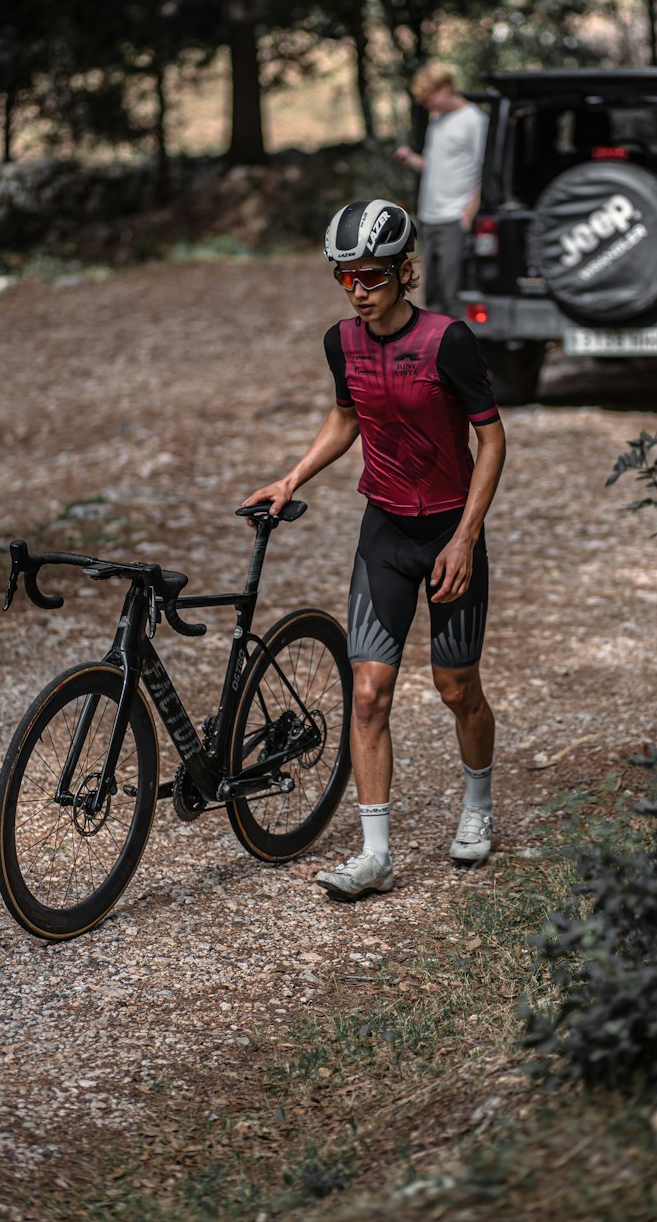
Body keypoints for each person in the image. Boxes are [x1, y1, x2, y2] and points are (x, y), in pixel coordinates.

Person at [244, 198, 506, 901]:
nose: (359, 291)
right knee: (367, 694)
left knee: (457, 689)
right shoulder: (342, 343)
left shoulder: (449, 340)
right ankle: (375, 854)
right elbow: (347, 414)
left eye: (372, 277)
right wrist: (292, 476)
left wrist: (465, 538)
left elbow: (493, 440)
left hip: (450, 530)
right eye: (346, 278)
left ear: (404, 270)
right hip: (385, 532)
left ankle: (477, 807)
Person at [394, 62, 488, 320]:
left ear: (446, 88)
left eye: (429, 98)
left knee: (452, 290)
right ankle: (435, 347)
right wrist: (411, 159)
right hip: (429, 217)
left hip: (454, 218)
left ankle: (459, 347)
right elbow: (434, 167)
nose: (426, 105)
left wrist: (470, 211)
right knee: (432, 290)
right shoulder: (437, 122)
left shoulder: (474, 120)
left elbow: (485, 170)